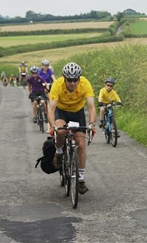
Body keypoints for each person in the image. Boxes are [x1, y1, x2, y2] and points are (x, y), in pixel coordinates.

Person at [48, 62, 96, 194]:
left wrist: (91, 124)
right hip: (61, 111)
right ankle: (58, 152)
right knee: (61, 131)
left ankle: (80, 180)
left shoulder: (85, 84)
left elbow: (91, 107)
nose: (73, 83)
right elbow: (51, 109)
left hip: (77, 112)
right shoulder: (57, 85)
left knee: (81, 145)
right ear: (64, 78)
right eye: (69, 80)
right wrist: (53, 126)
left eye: (76, 80)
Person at [38, 59, 56, 133]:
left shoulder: (49, 71)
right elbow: (38, 79)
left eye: (47, 65)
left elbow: (53, 77)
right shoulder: (40, 72)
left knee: (50, 97)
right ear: (43, 66)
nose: (46, 67)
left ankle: (49, 107)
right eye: (45, 65)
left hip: (49, 85)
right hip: (42, 86)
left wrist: (56, 82)